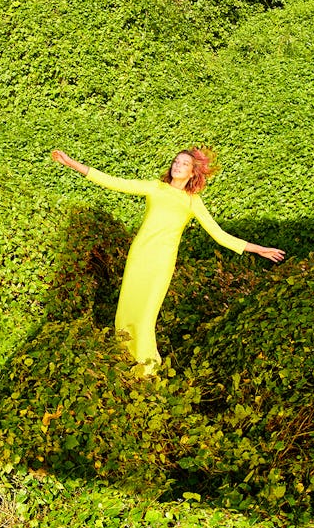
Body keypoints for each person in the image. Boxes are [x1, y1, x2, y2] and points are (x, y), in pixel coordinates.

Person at [51, 147, 285, 373]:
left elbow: (220, 235)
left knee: (145, 315)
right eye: (176, 162)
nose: (178, 166)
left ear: (193, 172)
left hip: (161, 262)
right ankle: (123, 361)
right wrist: (71, 163)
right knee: (125, 311)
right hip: (139, 256)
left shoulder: (193, 201)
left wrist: (258, 249)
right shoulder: (155, 188)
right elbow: (115, 182)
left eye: (184, 164)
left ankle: (147, 370)